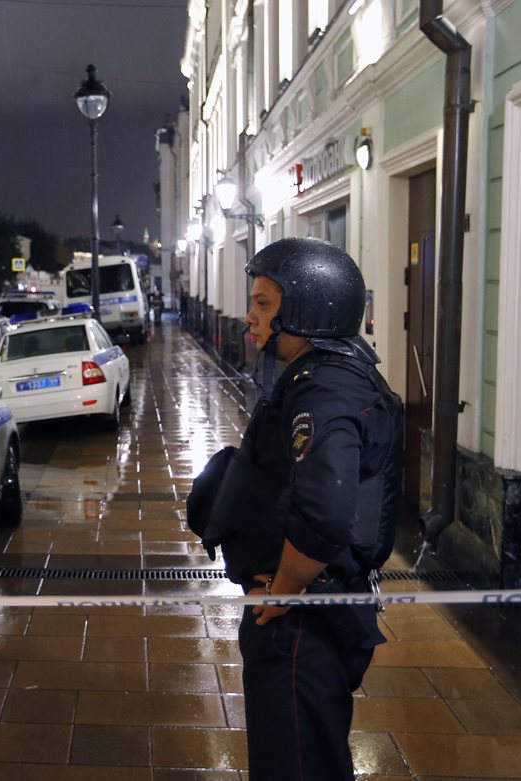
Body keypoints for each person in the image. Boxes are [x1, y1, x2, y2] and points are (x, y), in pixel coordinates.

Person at [190, 237, 403, 781]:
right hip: (310, 615)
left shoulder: (324, 391)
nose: (250, 315)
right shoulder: (326, 376)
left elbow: (325, 509)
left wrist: (283, 591)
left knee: (296, 765)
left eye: (264, 303)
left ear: (308, 309)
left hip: (299, 624)